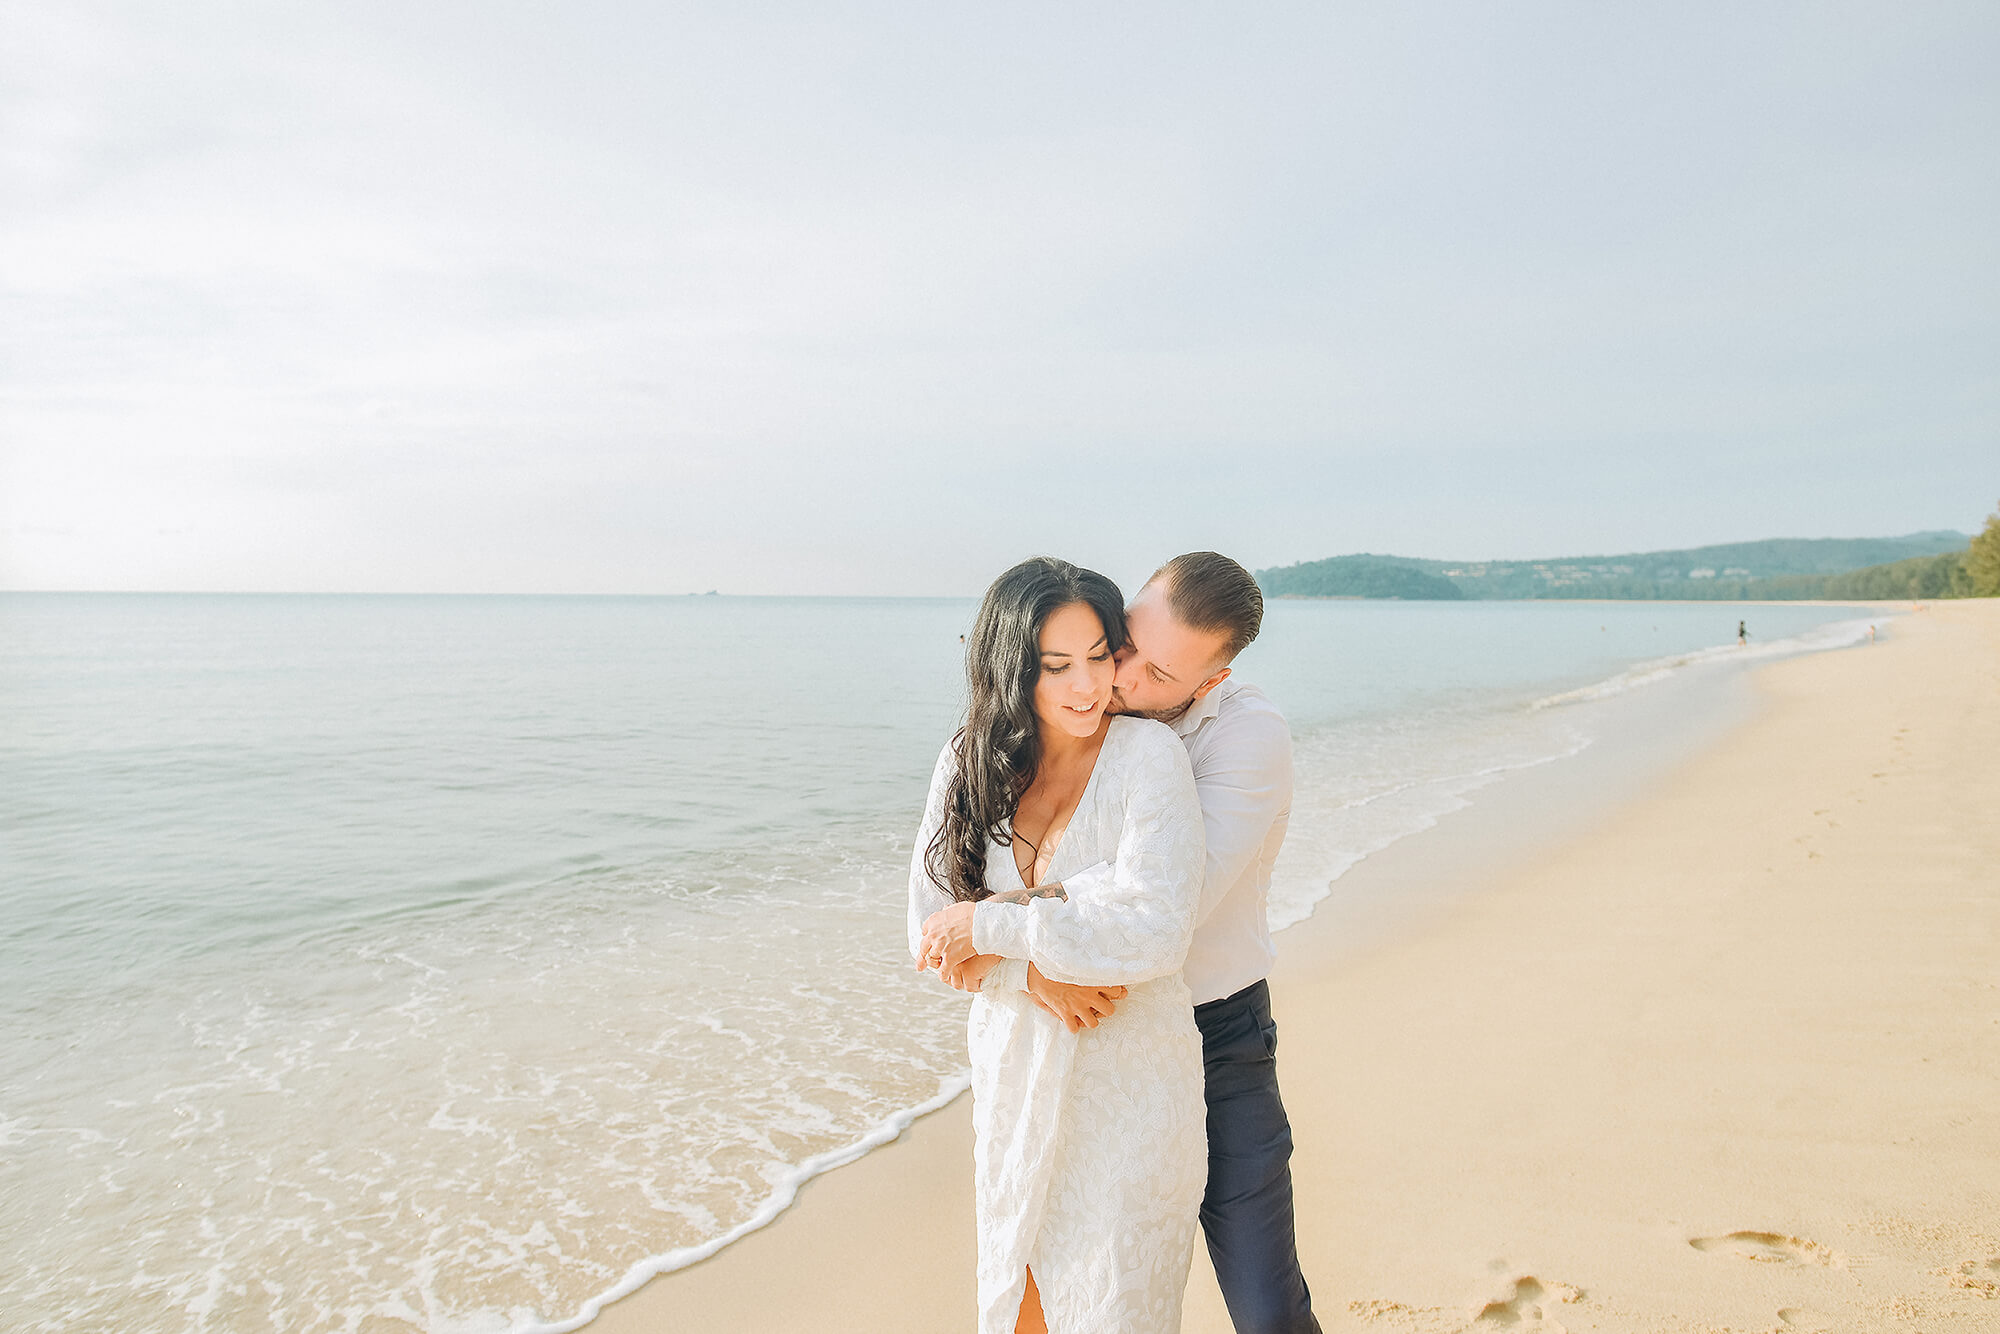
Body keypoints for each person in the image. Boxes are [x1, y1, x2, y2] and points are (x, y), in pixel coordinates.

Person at [925, 552, 1322, 1334]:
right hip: (1071, 1036)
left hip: (1216, 1034)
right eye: (1123, 642)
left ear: (1204, 683)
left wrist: (995, 924)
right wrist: (1030, 972)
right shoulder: (1053, 723)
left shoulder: (1240, 738)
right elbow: (935, 912)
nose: (1116, 676)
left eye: (1154, 669)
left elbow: (1168, 906)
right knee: (1041, 1288)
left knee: (1264, 1302)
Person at [909, 556, 1209, 1334]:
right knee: (1018, 1309)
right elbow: (928, 929)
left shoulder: (1148, 760)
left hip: (1131, 1086)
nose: (1087, 686)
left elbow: (1157, 930)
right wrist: (1036, 974)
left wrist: (994, 925)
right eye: (1056, 665)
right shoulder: (968, 760)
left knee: (1115, 1313)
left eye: (1100, 657)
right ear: (1013, 669)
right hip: (1015, 1076)